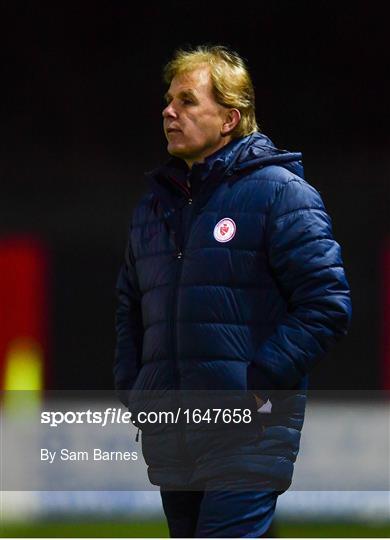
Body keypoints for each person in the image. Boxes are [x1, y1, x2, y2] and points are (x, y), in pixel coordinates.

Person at [114, 45, 352, 538]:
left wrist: (255, 384)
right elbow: (129, 306)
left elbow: (326, 304)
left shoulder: (280, 193)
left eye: (186, 100)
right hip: (173, 434)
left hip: (248, 430)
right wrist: (138, 392)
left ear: (229, 119)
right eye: (168, 100)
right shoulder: (154, 209)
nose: (168, 111)